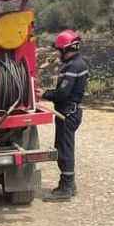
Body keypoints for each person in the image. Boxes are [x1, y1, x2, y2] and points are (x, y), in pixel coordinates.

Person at [41, 29, 88, 202]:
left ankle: (66, 187)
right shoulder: (78, 64)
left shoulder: (73, 67)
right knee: (63, 146)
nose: (58, 53)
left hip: (68, 113)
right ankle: (68, 185)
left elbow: (62, 94)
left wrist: (43, 94)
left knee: (65, 149)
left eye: (58, 50)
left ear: (65, 49)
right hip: (68, 111)